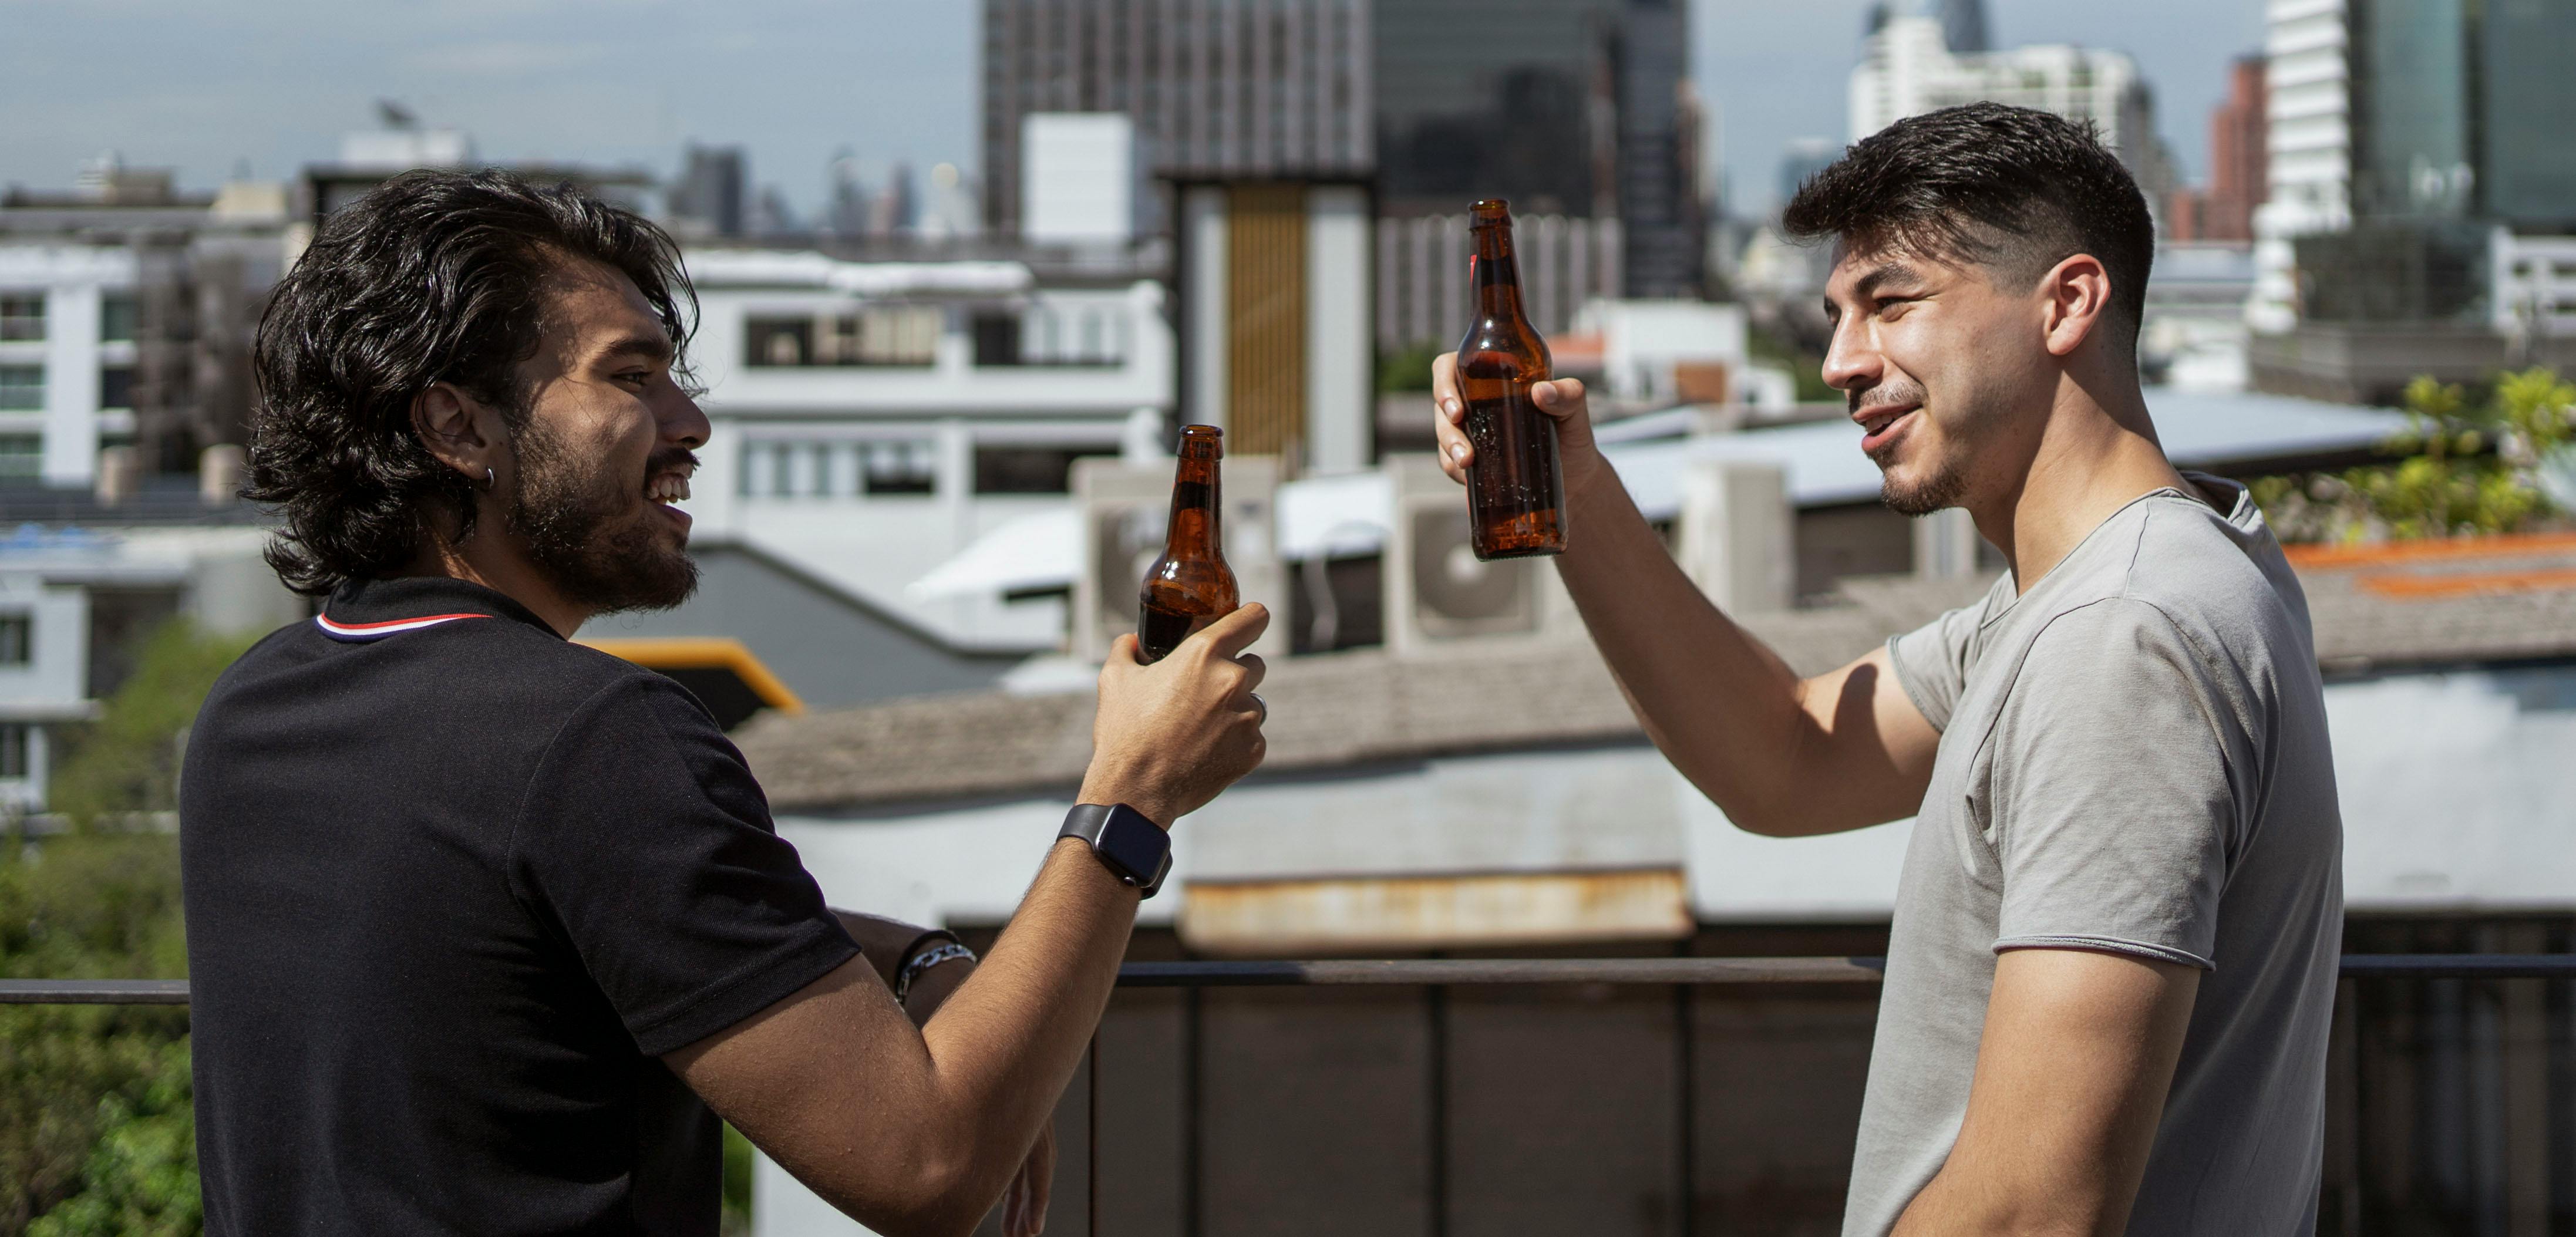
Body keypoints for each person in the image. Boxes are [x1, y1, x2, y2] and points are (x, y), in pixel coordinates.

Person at [181, 168, 1269, 1237]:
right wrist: (1133, 796)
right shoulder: (595, 738)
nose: (689, 421)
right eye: (630, 377)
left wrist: (913, 957)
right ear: (459, 429)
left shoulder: (253, 709)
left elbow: (535, 930)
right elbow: (928, 1166)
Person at [1431, 103, 2342, 1235]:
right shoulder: (2101, 592)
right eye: (1835, 314)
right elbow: (1789, 757)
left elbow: (2033, 1211)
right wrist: (1573, 493)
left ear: (2067, 302)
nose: (1839, 360)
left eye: (1891, 303)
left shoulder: (2123, 635)